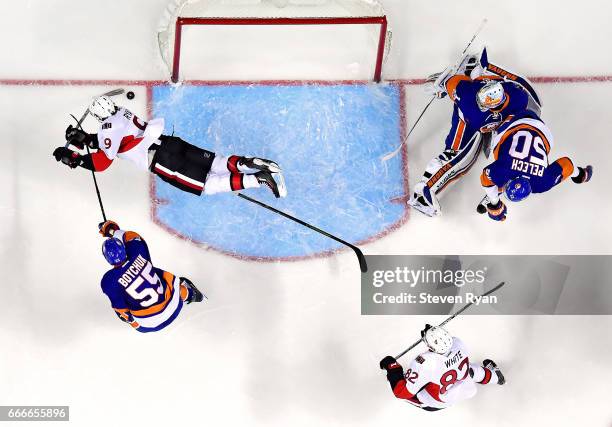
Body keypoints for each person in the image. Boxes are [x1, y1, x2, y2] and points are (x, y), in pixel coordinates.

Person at [52, 96, 287, 198]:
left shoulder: (105, 131)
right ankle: (247, 162)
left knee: (208, 184)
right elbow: (117, 139)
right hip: (170, 143)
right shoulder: (122, 111)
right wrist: (82, 138)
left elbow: (102, 161)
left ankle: (258, 179)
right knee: (215, 162)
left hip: (162, 161)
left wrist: (74, 158)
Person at [409, 48, 537, 217]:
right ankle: (424, 190)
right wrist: (442, 86)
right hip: (468, 120)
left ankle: (475, 68)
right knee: (457, 155)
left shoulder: (518, 97)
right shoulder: (469, 102)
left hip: (497, 120)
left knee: (510, 156)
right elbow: (451, 82)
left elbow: (521, 83)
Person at [480, 112, 593, 221]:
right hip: (513, 122)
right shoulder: (506, 171)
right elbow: (485, 178)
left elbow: (568, 164)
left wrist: (580, 174)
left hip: (542, 130)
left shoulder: (542, 184)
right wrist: (494, 202)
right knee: (496, 155)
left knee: (502, 165)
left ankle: (582, 176)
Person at [98, 220, 204, 333]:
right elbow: (131, 236)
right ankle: (191, 295)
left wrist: (137, 325)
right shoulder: (138, 250)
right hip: (173, 307)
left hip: (147, 324)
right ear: (124, 249)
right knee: (164, 278)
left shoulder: (108, 281)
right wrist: (112, 230)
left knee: (119, 306)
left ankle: (185, 294)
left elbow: (123, 311)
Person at [379, 325, 505, 411]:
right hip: (466, 389)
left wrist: (392, 368)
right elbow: (444, 344)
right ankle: (496, 377)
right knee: (469, 370)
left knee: (403, 388)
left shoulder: (424, 363)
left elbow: (401, 392)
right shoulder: (457, 343)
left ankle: (403, 381)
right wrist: (433, 332)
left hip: (439, 401)